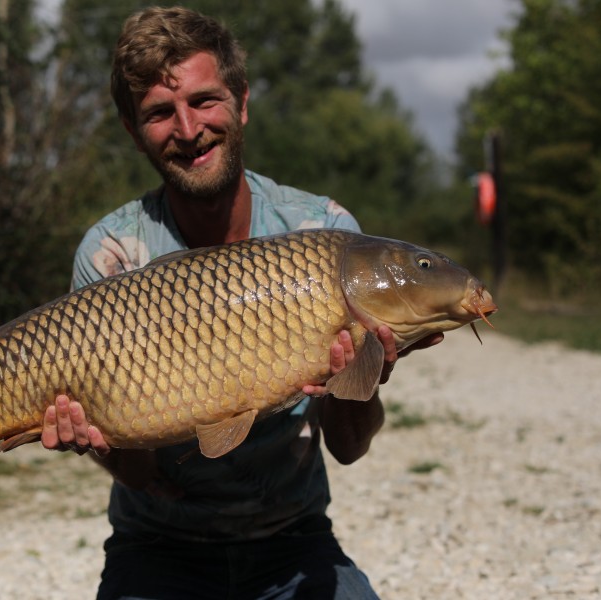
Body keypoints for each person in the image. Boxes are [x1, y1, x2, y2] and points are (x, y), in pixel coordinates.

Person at [41, 7, 442, 599]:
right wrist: (100, 442)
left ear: (242, 102)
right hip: (156, 547)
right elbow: (141, 476)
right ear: (133, 131)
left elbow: (349, 448)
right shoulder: (111, 255)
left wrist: (363, 377)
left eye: (204, 100)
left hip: (293, 540)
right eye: (159, 112)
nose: (187, 127)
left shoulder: (324, 233)